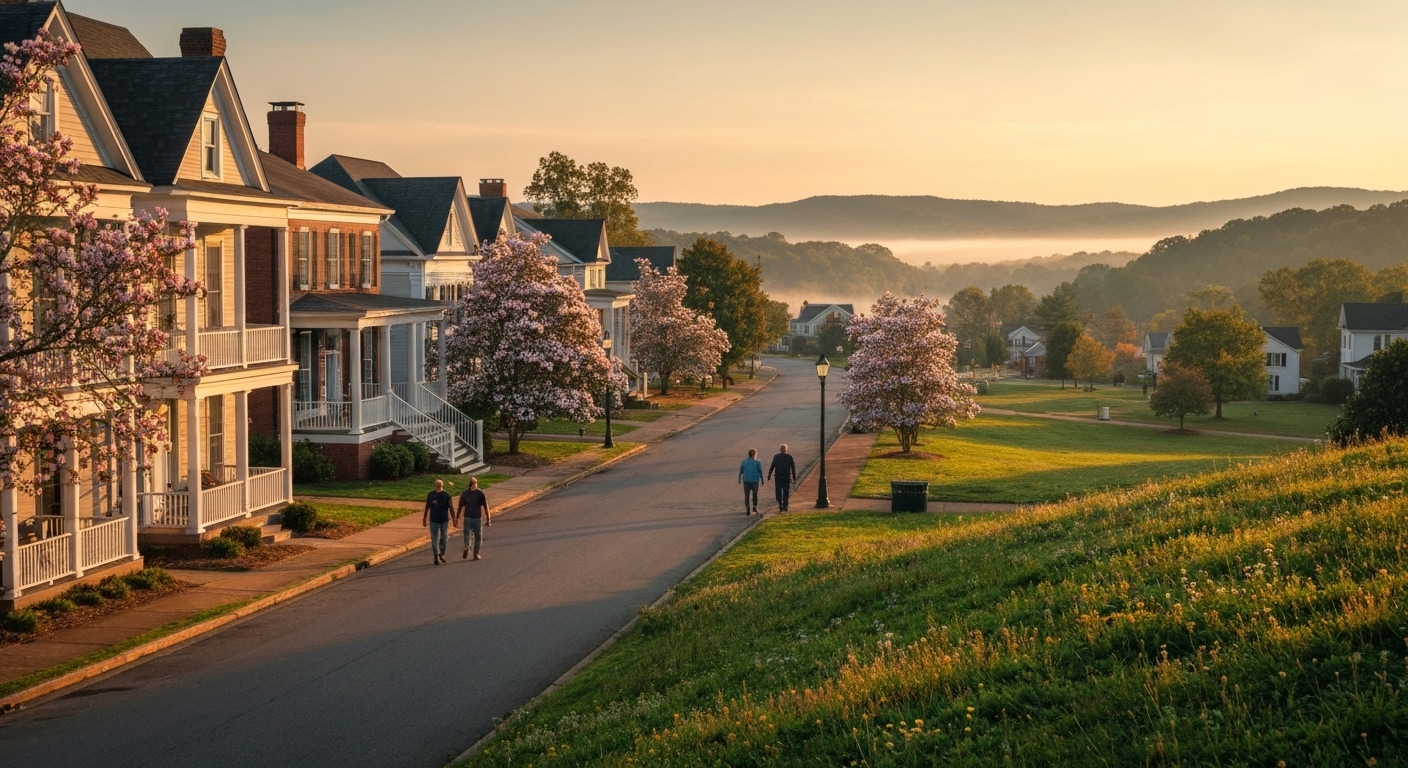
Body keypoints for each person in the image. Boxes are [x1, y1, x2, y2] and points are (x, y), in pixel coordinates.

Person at [455, 476, 491, 560]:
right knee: (477, 537)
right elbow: (486, 506)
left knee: (468, 535)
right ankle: (475, 553)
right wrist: (488, 519)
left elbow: (460, 506)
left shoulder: (466, 494)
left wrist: (456, 518)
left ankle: (467, 547)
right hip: (476, 518)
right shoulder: (479, 493)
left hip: (469, 518)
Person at [422, 478, 453, 565]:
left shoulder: (435, 495)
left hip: (437, 520)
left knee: (435, 539)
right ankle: (441, 553)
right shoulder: (443, 495)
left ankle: (437, 554)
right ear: (442, 485)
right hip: (440, 520)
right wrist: (454, 518)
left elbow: (427, 508)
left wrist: (424, 519)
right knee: (443, 537)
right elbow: (451, 508)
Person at [767, 444, 797, 512]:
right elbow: (793, 468)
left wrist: (769, 474)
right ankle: (785, 505)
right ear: (786, 450)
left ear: (780, 450)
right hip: (786, 477)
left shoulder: (776, 457)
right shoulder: (789, 457)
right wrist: (794, 477)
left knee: (778, 491)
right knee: (786, 491)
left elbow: (772, 466)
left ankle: (780, 503)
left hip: (778, 477)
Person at [738, 448, 764, 516]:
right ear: (754, 454)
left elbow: (741, 470)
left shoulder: (744, 461)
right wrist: (762, 479)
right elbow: (760, 471)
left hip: (746, 480)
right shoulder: (758, 462)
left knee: (747, 495)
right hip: (755, 480)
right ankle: (754, 507)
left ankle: (748, 508)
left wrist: (739, 478)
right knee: (755, 494)